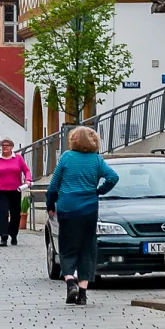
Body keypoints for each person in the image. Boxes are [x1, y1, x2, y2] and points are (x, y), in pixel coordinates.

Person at [45, 126, 120, 305]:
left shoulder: (66, 158)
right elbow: (113, 177)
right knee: (87, 248)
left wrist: (50, 205)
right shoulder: (96, 160)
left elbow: (53, 186)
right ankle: (83, 294)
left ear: (74, 140)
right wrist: (98, 191)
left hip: (68, 209)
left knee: (67, 247)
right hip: (89, 210)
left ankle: (71, 283)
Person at [0, 138, 32, 246]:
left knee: (15, 214)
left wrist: (28, 180)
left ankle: (13, 234)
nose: (5, 147)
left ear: (12, 147)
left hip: (15, 190)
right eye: (3, 145)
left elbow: (26, 170)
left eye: (7, 145)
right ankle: (3, 236)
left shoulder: (18, 158)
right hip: (0, 191)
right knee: (3, 213)